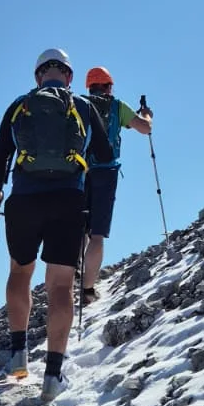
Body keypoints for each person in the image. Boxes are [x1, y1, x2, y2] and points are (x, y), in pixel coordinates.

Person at [0, 48, 113, 403]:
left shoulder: (19, 105)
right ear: (70, 77)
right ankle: (53, 376)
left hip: (24, 201)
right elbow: (103, 155)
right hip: (68, 201)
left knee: (20, 272)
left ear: (38, 76)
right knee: (59, 285)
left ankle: (17, 356)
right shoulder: (84, 107)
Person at [81, 65, 154, 304]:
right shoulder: (117, 106)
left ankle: (73, 271)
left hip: (78, 171)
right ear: (109, 86)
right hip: (106, 172)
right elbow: (145, 129)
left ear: (89, 86)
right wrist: (147, 114)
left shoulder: (79, 104)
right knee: (97, 235)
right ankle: (88, 289)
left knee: (79, 227)